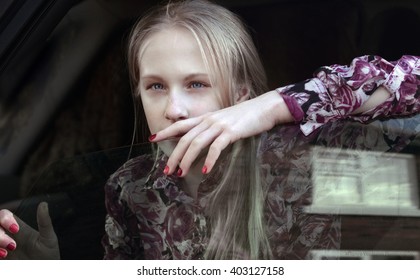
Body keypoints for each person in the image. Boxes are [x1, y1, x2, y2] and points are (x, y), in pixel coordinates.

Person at [1, 0, 419, 259]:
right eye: (156, 87)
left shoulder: (309, 154)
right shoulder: (129, 189)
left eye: (197, 84)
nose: (174, 109)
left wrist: (277, 105)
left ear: (240, 95)